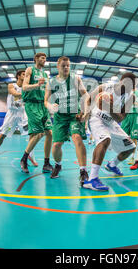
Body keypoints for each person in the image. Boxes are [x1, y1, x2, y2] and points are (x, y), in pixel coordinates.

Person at [82, 72, 137, 191]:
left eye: (132, 86)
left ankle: (112, 164)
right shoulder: (105, 88)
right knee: (104, 140)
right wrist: (86, 113)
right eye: (128, 85)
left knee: (131, 147)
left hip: (111, 121)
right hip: (97, 118)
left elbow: (121, 118)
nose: (130, 89)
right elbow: (88, 99)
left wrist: (109, 107)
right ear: (121, 81)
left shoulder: (131, 97)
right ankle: (92, 179)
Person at [44, 56, 89, 184]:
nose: (66, 68)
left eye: (68, 65)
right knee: (57, 145)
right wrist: (50, 106)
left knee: (77, 137)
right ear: (57, 67)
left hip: (74, 115)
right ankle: (58, 165)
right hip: (59, 118)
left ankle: (83, 171)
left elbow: (85, 96)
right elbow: (45, 101)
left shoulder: (75, 79)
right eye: (63, 65)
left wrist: (85, 112)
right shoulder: (51, 82)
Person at [0, 69, 37, 166]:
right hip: (12, 114)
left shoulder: (26, 88)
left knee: (32, 134)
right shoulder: (11, 85)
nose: (26, 76)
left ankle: (31, 155)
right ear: (18, 76)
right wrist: (28, 93)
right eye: (23, 74)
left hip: (23, 114)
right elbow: (14, 93)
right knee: (3, 135)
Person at [19, 52, 54, 174]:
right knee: (39, 133)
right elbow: (24, 87)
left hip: (42, 105)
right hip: (32, 104)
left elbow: (46, 91)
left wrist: (49, 104)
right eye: (42, 58)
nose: (44, 60)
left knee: (49, 133)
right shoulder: (30, 70)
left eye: (45, 58)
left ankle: (46, 163)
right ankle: (23, 159)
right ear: (36, 59)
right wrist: (37, 84)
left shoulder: (45, 74)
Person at [120, 87, 138, 165]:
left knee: (134, 137)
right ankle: (124, 152)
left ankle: (132, 157)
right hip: (126, 115)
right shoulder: (125, 93)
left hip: (137, 116)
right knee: (123, 135)